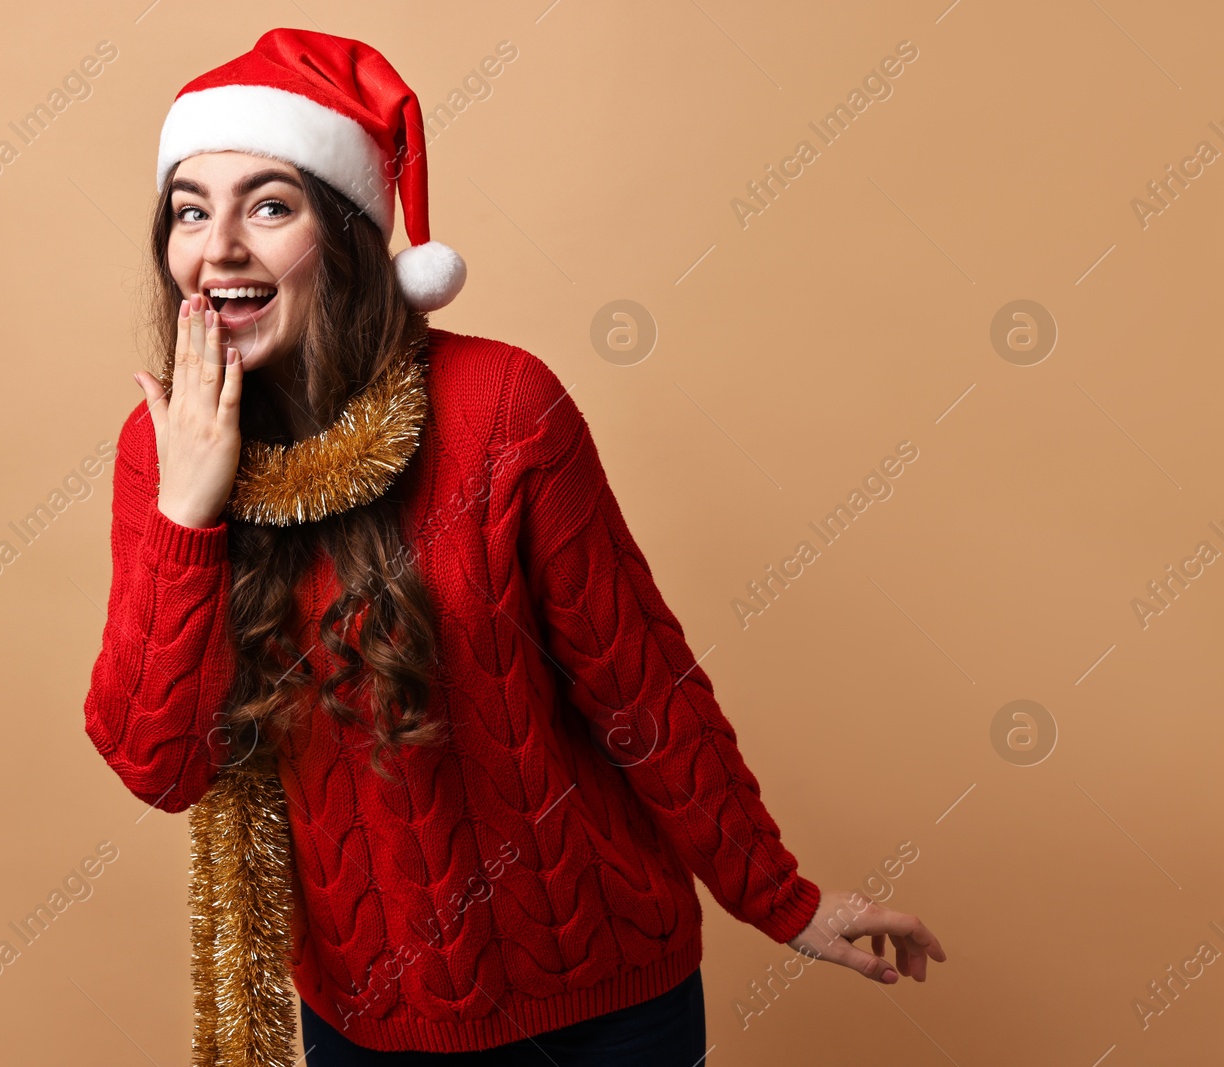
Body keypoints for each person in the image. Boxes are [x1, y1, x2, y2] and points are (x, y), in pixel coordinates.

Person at [82, 27, 945, 1067]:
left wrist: (785, 900)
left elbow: (643, 691)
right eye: (189, 210)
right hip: (365, 1017)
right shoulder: (164, 452)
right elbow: (158, 763)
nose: (216, 245)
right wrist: (189, 514)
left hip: (600, 1000)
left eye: (269, 204)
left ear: (345, 236)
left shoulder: (502, 409)